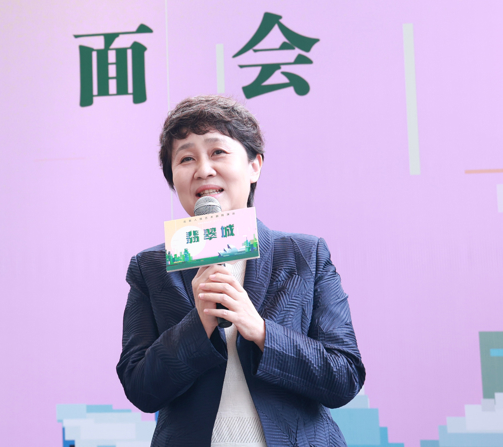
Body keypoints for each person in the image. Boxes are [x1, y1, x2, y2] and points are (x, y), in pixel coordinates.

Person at [116, 95, 365, 447]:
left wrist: (260, 330)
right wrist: (198, 324)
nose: (203, 169)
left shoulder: (304, 255)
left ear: (254, 166)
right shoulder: (151, 267)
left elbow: (344, 378)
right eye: (186, 158)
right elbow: (141, 389)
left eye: (217, 152)